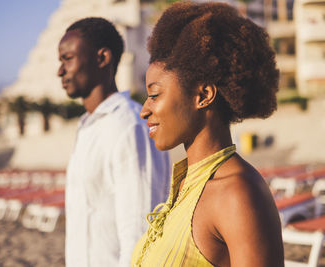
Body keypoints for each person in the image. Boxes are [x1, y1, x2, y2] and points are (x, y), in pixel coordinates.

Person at [131, 2, 284, 267]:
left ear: (203, 95)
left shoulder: (237, 193)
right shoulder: (185, 186)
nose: (144, 110)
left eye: (154, 95)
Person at [57, 17, 171, 267]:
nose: (60, 71)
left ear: (102, 58)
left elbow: (141, 234)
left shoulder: (130, 125)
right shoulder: (89, 126)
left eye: (67, 59)